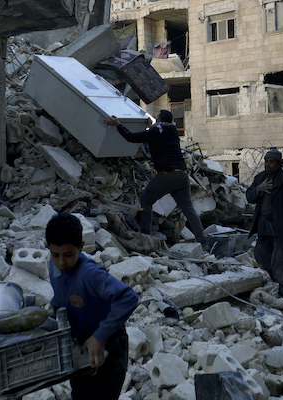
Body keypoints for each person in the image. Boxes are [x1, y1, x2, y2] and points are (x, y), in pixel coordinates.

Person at [46, 213, 139, 400]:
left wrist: (100, 336)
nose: (61, 262)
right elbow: (61, 293)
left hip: (108, 348)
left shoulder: (90, 274)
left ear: (80, 247)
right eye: (55, 255)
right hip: (80, 347)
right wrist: (51, 311)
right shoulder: (54, 265)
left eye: (68, 255)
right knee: (80, 393)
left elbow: (128, 297)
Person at [103, 110, 208, 248]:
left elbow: (131, 137)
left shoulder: (154, 132)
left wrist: (118, 124)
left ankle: (146, 237)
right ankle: (202, 241)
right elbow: (159, 135)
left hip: (166, 175)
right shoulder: (173, 131)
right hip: (182, 176)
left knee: (146, 201)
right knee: (189, 209)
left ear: (159, 119)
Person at [246, 149, 283, 301]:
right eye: (266, 161)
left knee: (280, 258)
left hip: (281, 227)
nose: (268, 164)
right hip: (264, 225)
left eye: (271, 162)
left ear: (278, 164)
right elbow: (249, 197)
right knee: (262, 256)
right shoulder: (260, 178)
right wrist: (259, 189)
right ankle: (274, 278)